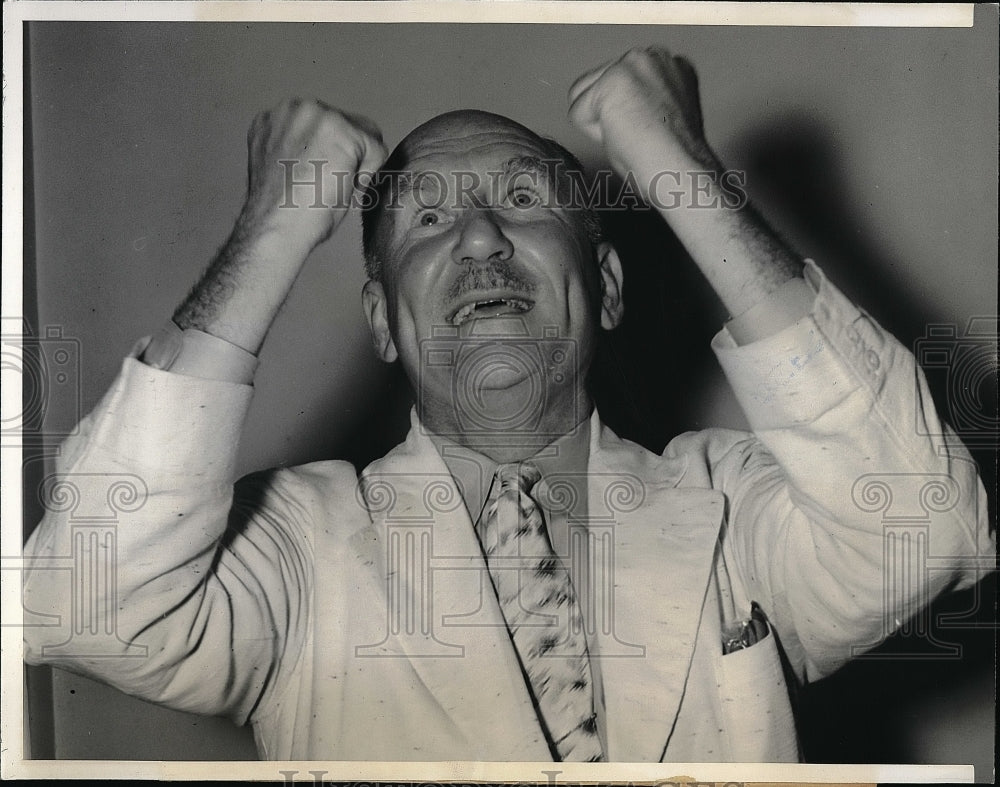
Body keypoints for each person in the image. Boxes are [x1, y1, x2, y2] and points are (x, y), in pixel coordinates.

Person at [22, 47, 992, 762]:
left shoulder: (728, 502)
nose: (482, 240)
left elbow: (926, 524)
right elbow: (83, 605)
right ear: (384, 322)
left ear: (606, 287)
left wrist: (682, 171)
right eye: (430, 217)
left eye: (523, 200)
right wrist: (272, 226)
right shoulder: (295, 541)